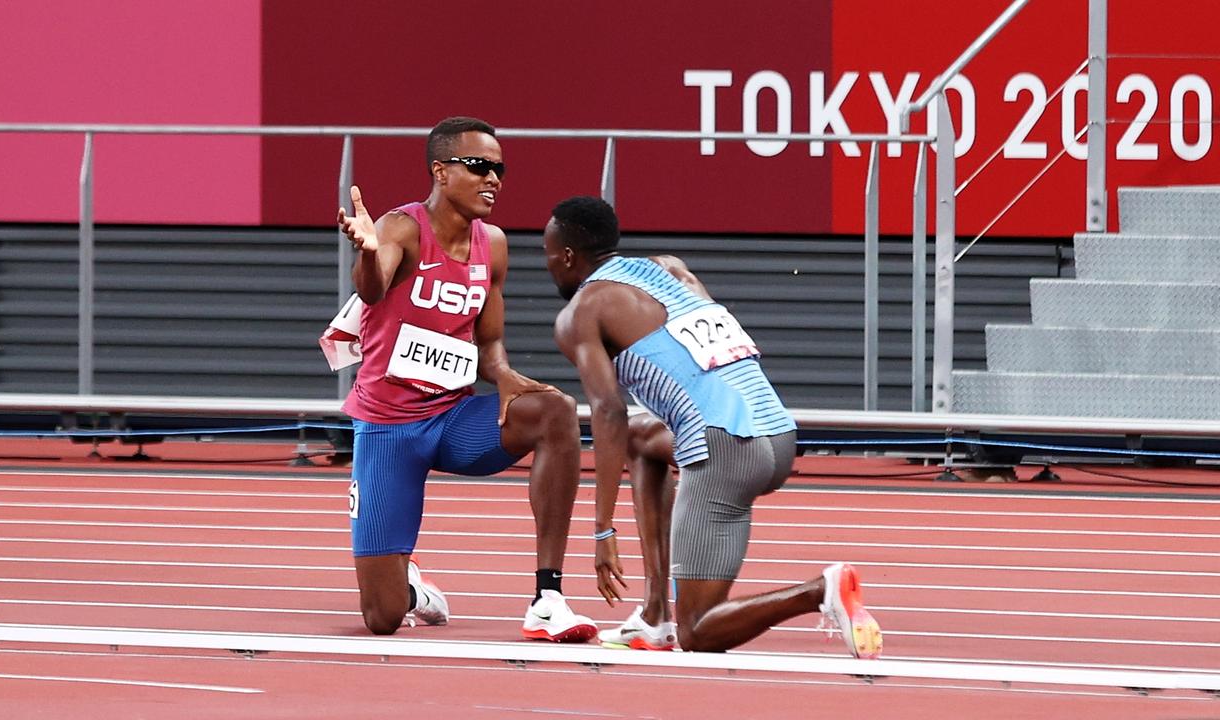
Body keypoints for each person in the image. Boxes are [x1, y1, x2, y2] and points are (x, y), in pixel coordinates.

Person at [543, 195, 882, 656]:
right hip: (778, 433)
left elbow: (608, 412)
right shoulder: (670, 268)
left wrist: (603, 530)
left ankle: (820, 590)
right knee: (645, 439)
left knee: (699, 632)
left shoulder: (581, 313)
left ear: (565, 256)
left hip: (725, 448)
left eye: (547, 257)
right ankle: (655, 612)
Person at [336, 117, 596, 642]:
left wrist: (502, 375)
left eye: (500, 169)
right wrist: (366, 251)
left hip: (454, 419)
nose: (493, 179)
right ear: (441, 171)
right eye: (479, 166)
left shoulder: (493, 244)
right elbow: (371, 290)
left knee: (557, 411)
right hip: (389, 429)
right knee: (381, 618)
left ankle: (548, 597)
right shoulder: (400, 229)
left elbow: (488, 342)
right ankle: (411, 589)